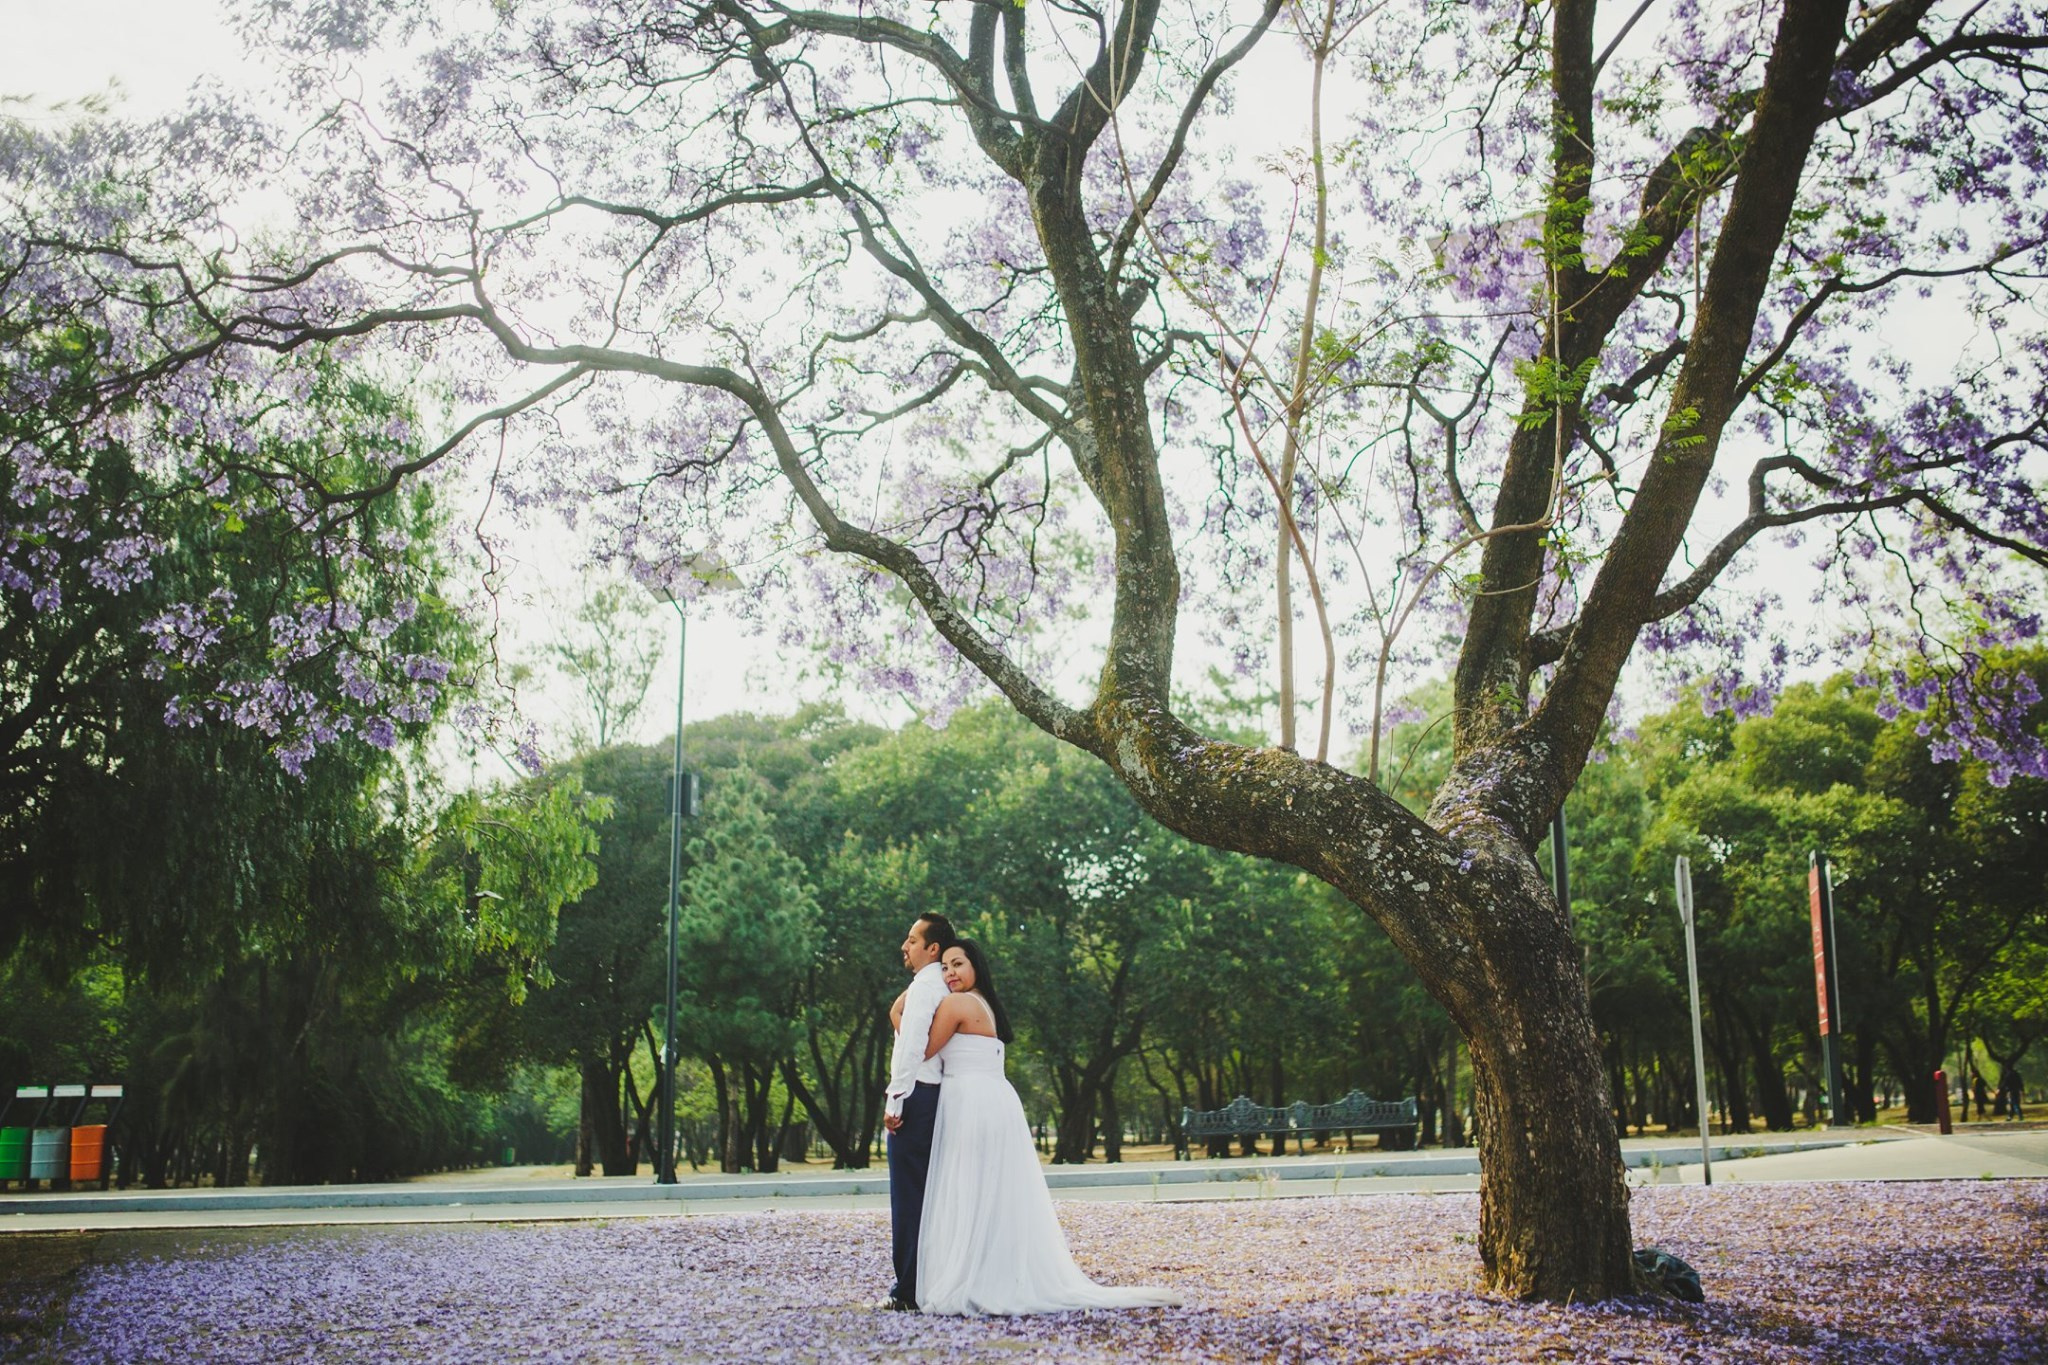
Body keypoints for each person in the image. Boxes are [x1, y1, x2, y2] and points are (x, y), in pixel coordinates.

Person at [912, 939, 1181, 1316]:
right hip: (990, 1100)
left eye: (957, 964)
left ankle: (973, 1277)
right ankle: (990, 1272)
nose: (949, 973)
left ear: (977, 968)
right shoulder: (986, 1004)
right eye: (943, 967)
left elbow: (919, 1047)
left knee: (970, 1188)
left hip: (971, 1101)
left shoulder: (959, 1003)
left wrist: (900, 1007)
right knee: (987, 1193)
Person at [880, 913, 957, 1312]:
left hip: (916, 1095)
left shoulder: (926, 989)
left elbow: (910, 1048)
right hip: (933, 1096)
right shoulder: (941, 987)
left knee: (908, 1197)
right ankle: (920, 1282)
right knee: (927, 1196)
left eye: (912, 940)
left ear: (933, 949)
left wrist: (895, 1101)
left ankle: (907, 1289)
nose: (904, 946)